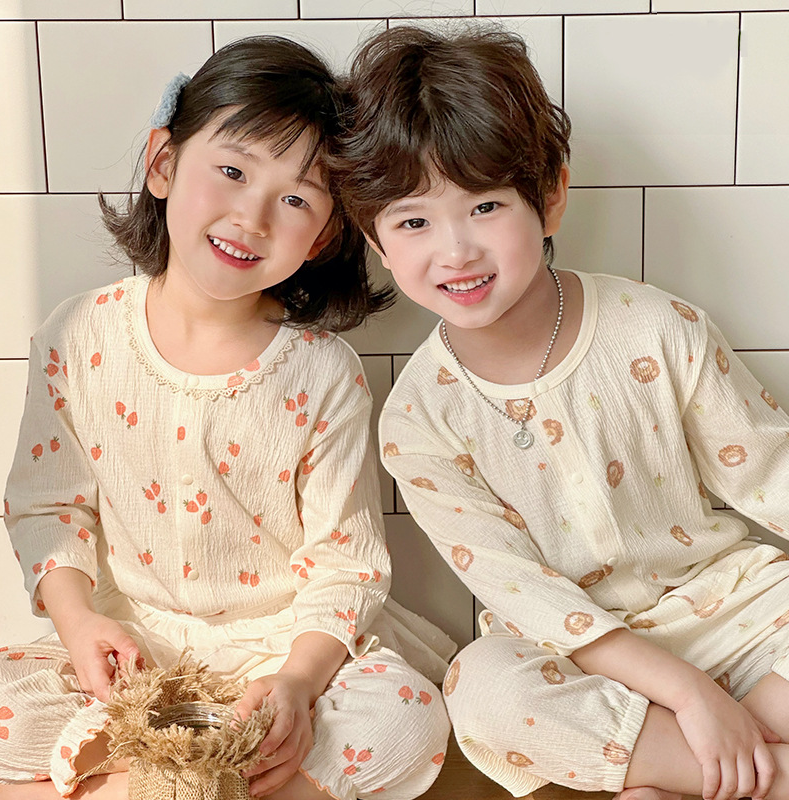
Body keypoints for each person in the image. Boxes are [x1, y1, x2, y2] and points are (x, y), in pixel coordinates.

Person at [0, 36, 453, 800]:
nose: (252, 216)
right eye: (233, 172)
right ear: (163, 163)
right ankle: (185, 782)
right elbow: (49, 508)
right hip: (134, 647)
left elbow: (346, 563)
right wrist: (79, 624)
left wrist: (297, 682)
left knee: (406, 718)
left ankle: (178, 783)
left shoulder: (323, 372)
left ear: (324, 235)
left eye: (295, 199)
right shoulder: (78, 336)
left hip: (277, 649)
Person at [335, 23, 789, 800]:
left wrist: (707, 691)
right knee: (482, 689)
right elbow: (522, 593)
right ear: (378, 245)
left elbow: (771, 471)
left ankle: (676, 771)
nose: (455, 251)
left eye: (484, 206)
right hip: (575, 658)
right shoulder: (417, 420)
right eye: (413, 221)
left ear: (549, 199)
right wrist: (688, 695)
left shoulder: (656, 328)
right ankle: (752, 771)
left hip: (733, 611)